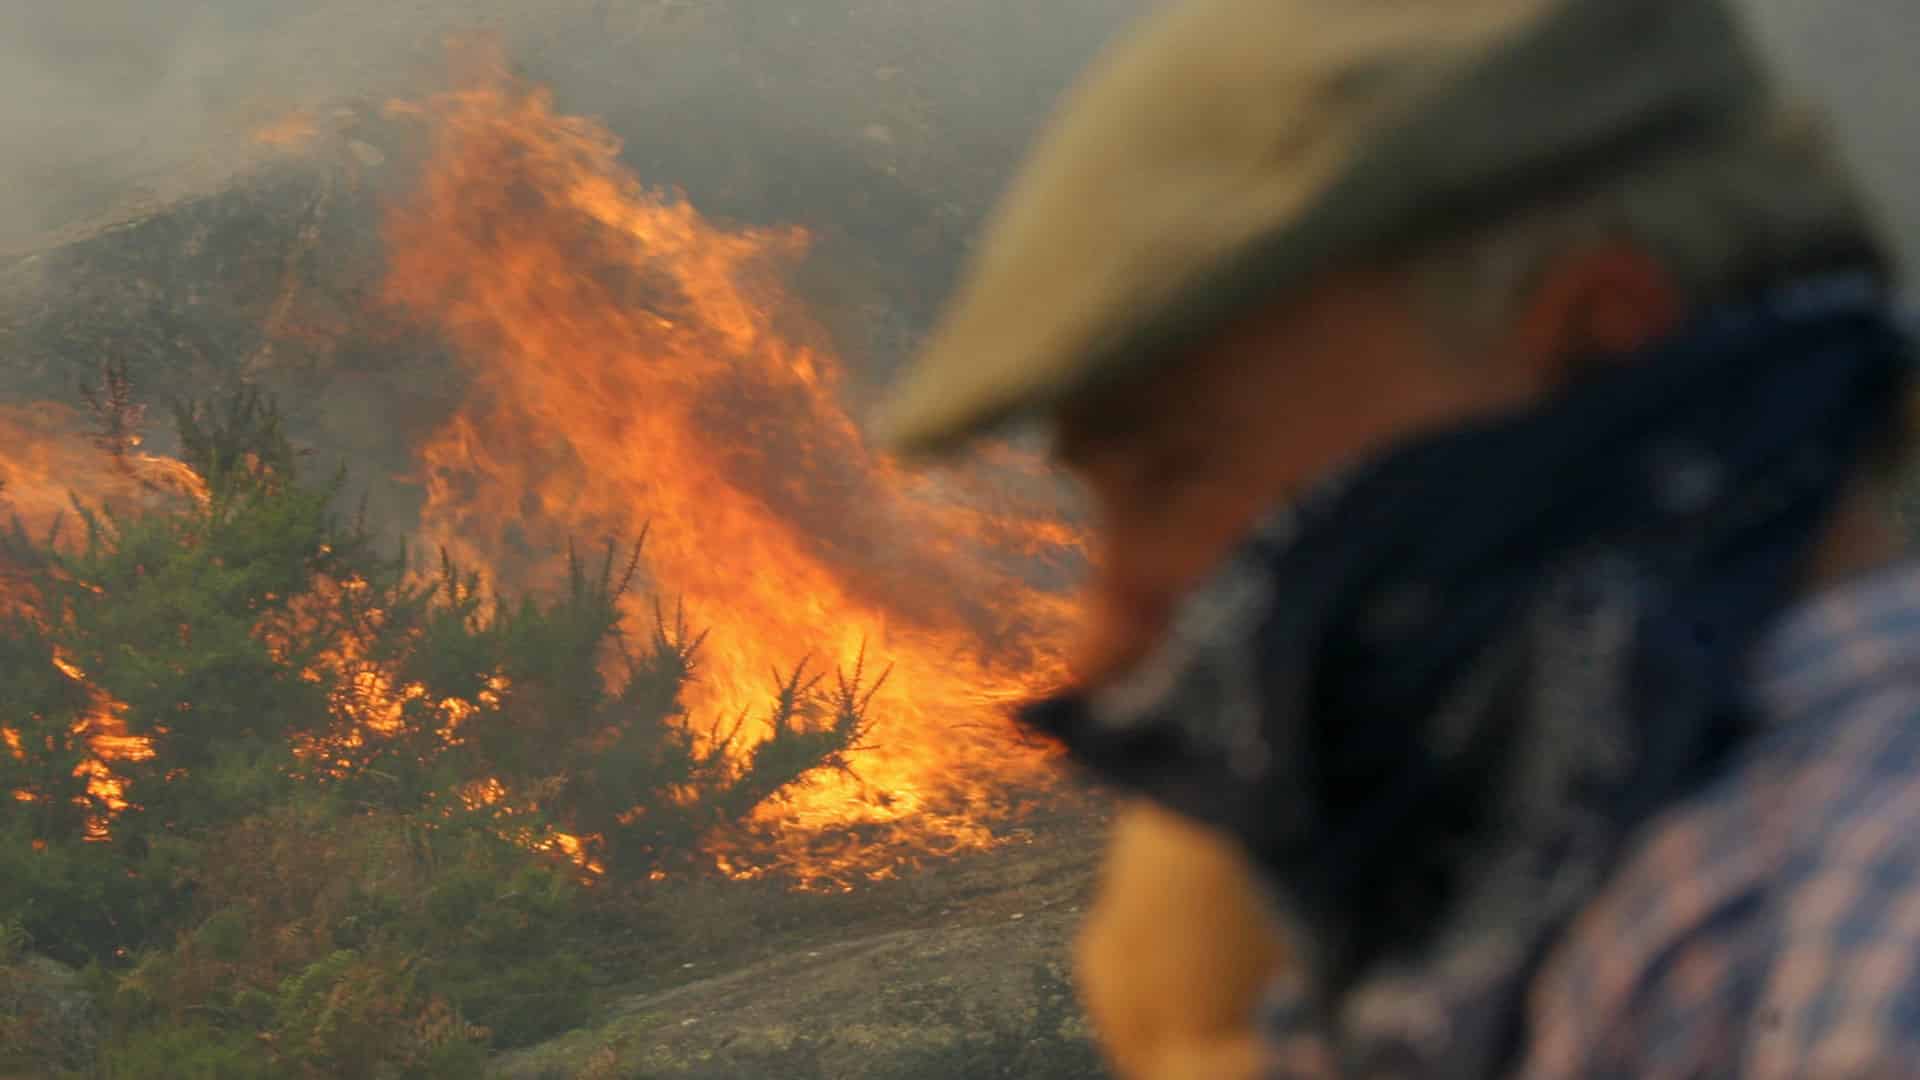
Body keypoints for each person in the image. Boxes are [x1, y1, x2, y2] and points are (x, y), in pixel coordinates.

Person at [872, 0, 1919, 1076]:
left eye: (1176, 470)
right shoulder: (1550, 908)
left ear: (1599, 345)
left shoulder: (1872, 928)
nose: (1101, 653)